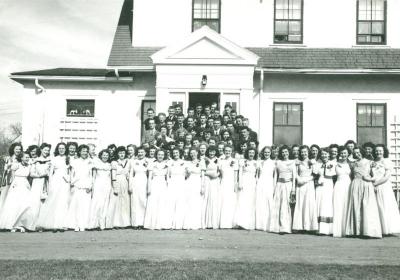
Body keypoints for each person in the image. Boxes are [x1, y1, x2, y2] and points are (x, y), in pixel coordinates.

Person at [346, 146, 382, 238]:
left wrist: (369, 178)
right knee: (356, 206)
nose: (357, 154)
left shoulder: (370, 162)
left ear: (362, 152)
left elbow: (376, 176)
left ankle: (368, 231)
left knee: (367, 206)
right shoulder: (353, 164)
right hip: (355, 185)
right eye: (355, 153)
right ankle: (356, 231)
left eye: (358, 152)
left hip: (366, 185)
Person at [36, 142, 71, 231]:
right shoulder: (54, 159)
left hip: (65, 181)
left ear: (65, 149)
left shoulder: (68, 158)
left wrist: (69, 180)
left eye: (63, 148)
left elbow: (70, 171)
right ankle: (53, 224)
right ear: (57, 149)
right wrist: (50, 184)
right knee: (54, 200)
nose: (61, 150)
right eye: (60, 148)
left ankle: (62, 224)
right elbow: (51, 173)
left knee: (63, 202)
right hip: (56, 180)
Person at [371, 144, 400, 235]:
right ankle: (378, 228)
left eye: (380, 150)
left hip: (383, 186)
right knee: (375, 207)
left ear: (384, 151)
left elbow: (386, 177)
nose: (378, 152)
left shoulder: (387, 162)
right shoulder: (372, 162)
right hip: (373, 186)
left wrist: (376, 184)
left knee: (384, 206)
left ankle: (386, 229)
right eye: (376, 151)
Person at [0, 152, 32, 232]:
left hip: (25, 184)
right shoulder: (17, 165)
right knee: (15, 203)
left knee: (24, 204)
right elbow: (12, 173)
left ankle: (20, 224)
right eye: (26, 157)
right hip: (17, 183)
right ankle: (11, 224)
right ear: (21, 158)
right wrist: (14, 183)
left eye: (28, 157)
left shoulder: (29, 165)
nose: (27, 159)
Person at [65, 144, 93, 232]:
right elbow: (72, 174)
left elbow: (91, 175)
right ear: (79, 152)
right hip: (77, 185)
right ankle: (76, 225)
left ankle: (83, 224)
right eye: (83, 151)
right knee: (76, 206)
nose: (85, 153)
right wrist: (72, 183)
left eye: (86, 151)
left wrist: (90, 186)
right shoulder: (75, 161)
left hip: (86, 185)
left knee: (85, 206)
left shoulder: (90, 161)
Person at [270, 145, 296, 234]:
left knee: (286, 206)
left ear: (289, 152)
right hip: (279, 185)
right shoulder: (278, 162)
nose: (285, 154)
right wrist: (274, 188)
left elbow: (294, 176)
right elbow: (275, 176)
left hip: (288, 185)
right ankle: (277, 227)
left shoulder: (293, 162)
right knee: (279, 205)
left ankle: (285, 227)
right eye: (283, 152)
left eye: (286, 152)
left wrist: (293, 189)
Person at [292, 145, 318, 232]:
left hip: (309, 184)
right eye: (302, 152)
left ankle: (309, 227)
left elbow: (315, 174)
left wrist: (306, 180)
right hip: (300, 185)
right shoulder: (297, 162)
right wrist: (299, 179)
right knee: (301, 203)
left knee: (309, 204)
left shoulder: (312, 161)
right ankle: (299, 226)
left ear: (308, 152)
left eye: (305, 152)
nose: (303, 154)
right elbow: (295, 173)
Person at [26, 143, 51, 231]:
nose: (46, 152)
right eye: (45, 150)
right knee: (35, 202)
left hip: (46, 183)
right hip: (37, 183)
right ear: (41, 150)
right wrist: (40, 176)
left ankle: (42, 224)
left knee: (44, 203)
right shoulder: (35, 161)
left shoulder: (50, 160)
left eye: (48, 150)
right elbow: (31, 174)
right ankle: (32, 224)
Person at [144, 149, 169, 230]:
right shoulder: (152, 164)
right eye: (159, 154)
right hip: (154, 183)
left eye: (162, 155)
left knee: (162, 202)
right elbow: (149, 177)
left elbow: (168, 177)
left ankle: (162, 224)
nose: (160, 156)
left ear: (164, 156)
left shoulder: (167, 165)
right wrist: (149, 188)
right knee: (153, 202)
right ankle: (152, 223)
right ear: (156, 155)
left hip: (163, 184)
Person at [88, 149, 112, 230]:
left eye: (107, 155)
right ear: (101, 155)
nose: (105, 156)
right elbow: (93, 176)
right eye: (104, 155)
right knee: (96, 203)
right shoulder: (96, 164)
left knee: (105, 204)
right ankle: (93, 224)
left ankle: (102, 224)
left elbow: (110, 177)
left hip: (107, 185)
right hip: (98, 184)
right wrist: (92, 185)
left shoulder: (109, 165)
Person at [235, 147, 258, 230]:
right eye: (250, 152)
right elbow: (240, 172)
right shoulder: (243, 161)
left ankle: (249, 223)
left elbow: (257, 175)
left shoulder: (256, 163)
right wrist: (240, 183)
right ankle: (241, 222)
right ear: (247, 153)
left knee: (250, 202)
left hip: (252, 183)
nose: (251, 154)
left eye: (253, 152)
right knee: (243, 201)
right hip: (244, 182)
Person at [183, 148, 205, 230]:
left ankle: (196, 223)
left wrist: (202, 186)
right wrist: (187, 173)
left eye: (194, 153)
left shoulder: (201, 162)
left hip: (197, 182)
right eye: (191, 153)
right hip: (189, 182)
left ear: (197, 153)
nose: (192, 155)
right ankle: (188, 222)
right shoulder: (187, 163)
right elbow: (185, 175)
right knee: (189, 202)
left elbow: (202, 175)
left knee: (196, 202)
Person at [315, 148, 335, 235]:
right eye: (322, 154)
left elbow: (333, 175)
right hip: (320, 185)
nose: (324, 156)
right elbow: (315, 174)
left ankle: (327, 229)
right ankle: (318, 228)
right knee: (319, 203)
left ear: (329, 155)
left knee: (327, 204)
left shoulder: (333, 163)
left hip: (328, 184)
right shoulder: (317, 163)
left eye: (326, 154)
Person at [109, 146, 131, 229]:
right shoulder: (114, 162)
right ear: (117, 154)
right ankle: (116, 223)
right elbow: (113, 175)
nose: (121, 154)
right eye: (120, 153)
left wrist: (129, 183)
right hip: (117, 181)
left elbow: (128, 173)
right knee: (117, 202)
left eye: (123, 153)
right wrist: (115, 186)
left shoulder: (128, 162)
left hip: (125, 182)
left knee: (125, 202)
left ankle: (125, 223)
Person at [332, 146, 352, 237]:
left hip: (348, 185)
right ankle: (338, 230)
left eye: (345, 153)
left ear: (348, 154)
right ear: (339, 154)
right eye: (342, 153)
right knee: (338, 206)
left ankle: (347, 230)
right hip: (339, 185)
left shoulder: (351, 164)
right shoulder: (335, 164)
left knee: (347, 206)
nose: (343, 155)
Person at [218, 145, 239, 229]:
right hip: (223, 182)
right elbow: (219, 173)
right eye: (226, 150)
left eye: (229, 151)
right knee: (223, 201)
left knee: (230, 202)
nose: (227, 152)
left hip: (231, 183)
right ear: (223, 151)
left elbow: (235, 175)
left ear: (232, 151)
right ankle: (223, 223)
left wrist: (235, 185)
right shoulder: (221, 161)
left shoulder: (234, 161)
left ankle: (230, 222)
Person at [129, 146, 149, 228]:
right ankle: (135, 223)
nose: (140, 154)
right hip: (136, 181)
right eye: (139, 152)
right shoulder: (134, 162)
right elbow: (131, 174)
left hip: (144, 181)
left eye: (142, 152)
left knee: (143, 201)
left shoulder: (148, 161)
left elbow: (149, 174)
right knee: (135, 202)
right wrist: (130, 185)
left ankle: (142, 223)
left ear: (145, 153)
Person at [255, 146, 275, 231]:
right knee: (261, 202)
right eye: (265, 152)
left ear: (270, 153)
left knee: (268, 202)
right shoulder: (260, 162)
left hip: (269, 183)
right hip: (261, 183)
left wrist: (274, 185)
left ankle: (268, 224)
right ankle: (260, 224)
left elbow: (275, 176)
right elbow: (257, 174)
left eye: (268, 152)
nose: (266, 154)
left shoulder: (274, 163)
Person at [0, 142, 23, 214]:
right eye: (16, 149)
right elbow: (4, 172)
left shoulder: (21, 159)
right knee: (5, 196)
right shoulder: (7, 159)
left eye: (20, 149)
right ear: (13, 149)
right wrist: (2, 184)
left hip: (18, 181)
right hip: (8, 180)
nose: (18, 150)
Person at [167, 148, 187, 229]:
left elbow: (186, 175)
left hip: (181, 183)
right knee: (171, 202)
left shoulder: (184, 162)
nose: (175, 154)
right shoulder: (169, 162)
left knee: (180, 202)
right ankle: (170, 223)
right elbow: (168, 175)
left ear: (180, 153)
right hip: (172, 183)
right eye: (174, 153)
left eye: (177, 152)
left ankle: (179, 224)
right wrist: (168, 183)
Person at [203, 146, 221, 229]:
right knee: (206, 198)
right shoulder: (204, 159)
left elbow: (220, 171)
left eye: (213, 152)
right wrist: (210, 174)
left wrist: (217, 175)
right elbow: (202, 171)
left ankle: (213, 222)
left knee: (214, 199)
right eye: (210, 151)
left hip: (215, 181)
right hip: (207, 180)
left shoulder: (218, 160)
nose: (211, 153)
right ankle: (206, 222)